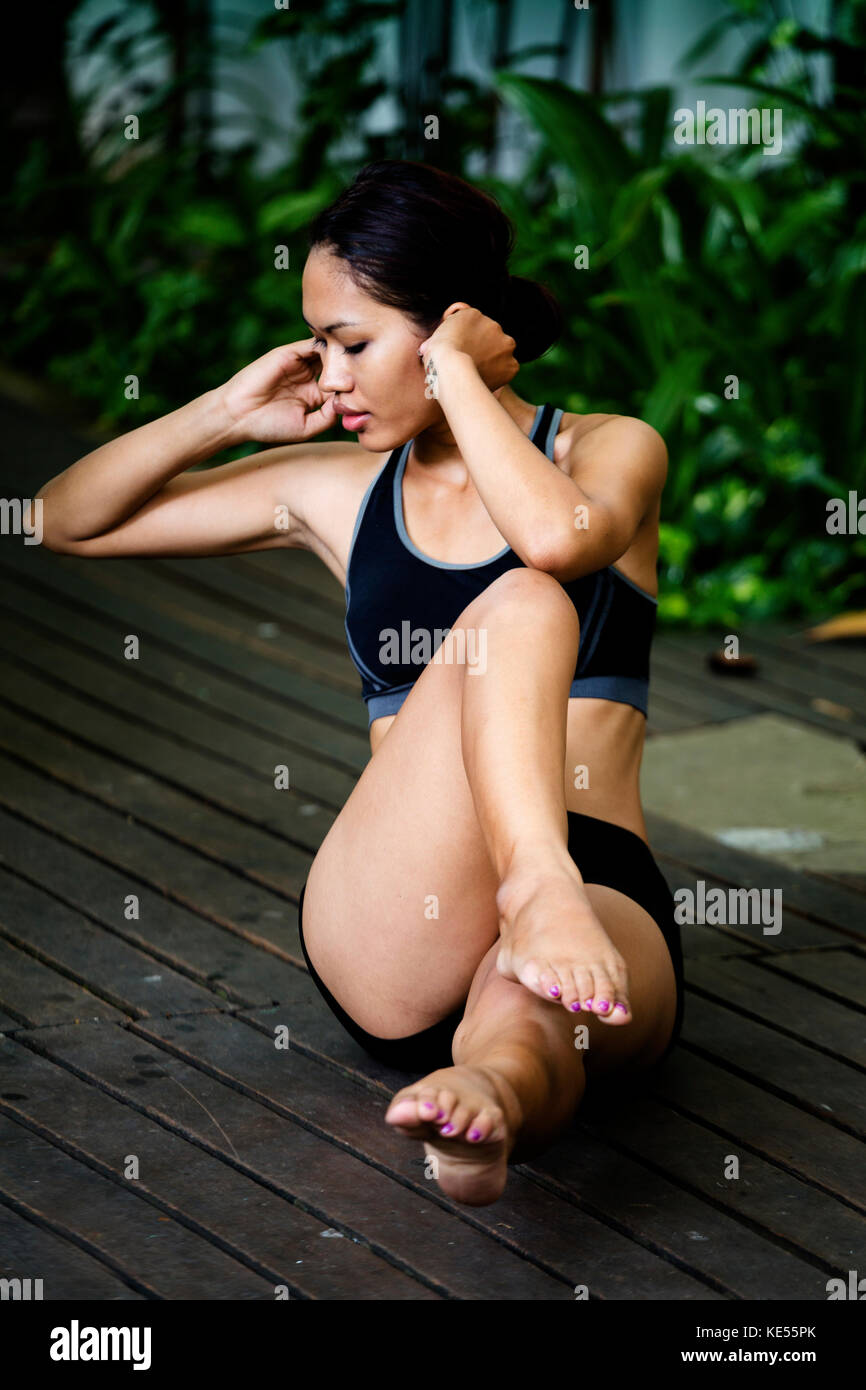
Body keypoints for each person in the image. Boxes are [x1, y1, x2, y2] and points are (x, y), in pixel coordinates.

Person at [33, 159, 683, 1207]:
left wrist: (461, 381)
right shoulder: (334, 492)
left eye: (351, 345)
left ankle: (486, 1103)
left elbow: (556, 538)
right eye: (319, 346)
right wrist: (221, 413)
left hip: (596, 886)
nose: (327, 377)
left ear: (449, 330)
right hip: (400, 910)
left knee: (529, 1026)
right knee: (514, 612)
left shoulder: (607, 450)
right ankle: (530, 887)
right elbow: (59, 520)